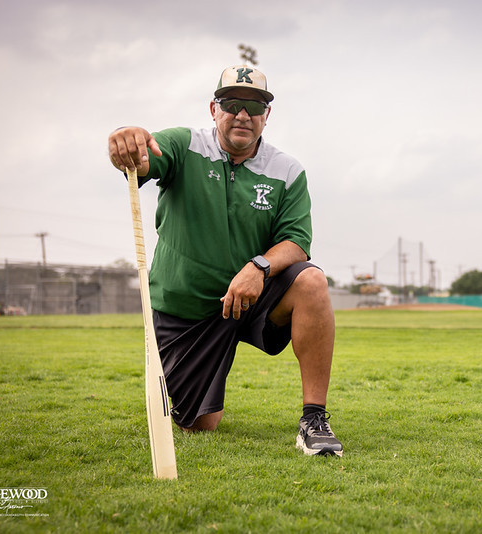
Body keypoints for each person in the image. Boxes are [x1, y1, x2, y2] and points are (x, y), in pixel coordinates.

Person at [107, 65, 342, 456]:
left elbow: (297, 243)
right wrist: (125, 143)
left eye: (254, 107)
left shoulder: (287, 170)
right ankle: (207, 384)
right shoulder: (183, 145)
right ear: (213, 109)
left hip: (250, 298)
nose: (243, 116)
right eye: (232, 104)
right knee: (197, 424)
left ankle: (313, 419)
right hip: (188, 310)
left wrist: (258, 267)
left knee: (311, 281)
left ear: (267, 116)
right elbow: (141, 161)